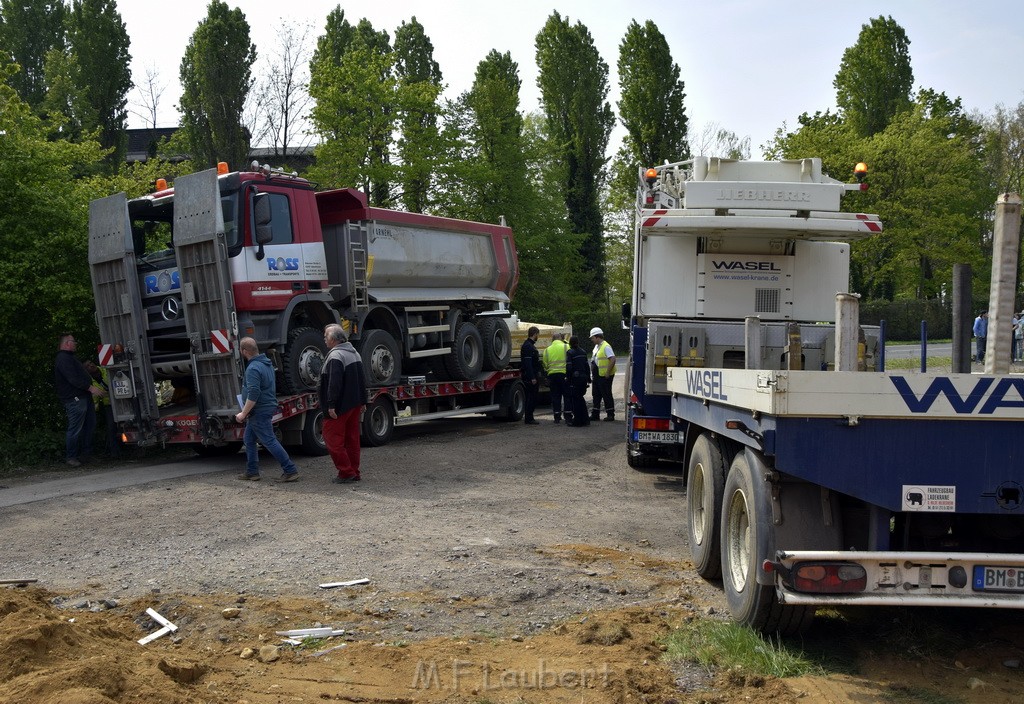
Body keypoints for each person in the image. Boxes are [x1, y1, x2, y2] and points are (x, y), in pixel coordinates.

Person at [235, 337, 299, 482]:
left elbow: (254, 393)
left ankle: (290, 470)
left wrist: (243, 413)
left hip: (259, 410)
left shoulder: (253, 368)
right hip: (264, 407)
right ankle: (252, 472)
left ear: (244, 351)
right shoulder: (267, 364)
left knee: (269, 440)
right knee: (249, 439)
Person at [320, 324, 368, 483]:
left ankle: (346, 472)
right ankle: (354, 471)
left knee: (332, 440)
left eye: (326, 336)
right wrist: (363, 401)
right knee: (352, 440)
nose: (324, 339)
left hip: (340, 407)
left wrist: (331, 404)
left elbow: (334, 383)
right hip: (354, 405)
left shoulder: (336, 356)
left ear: (333, 339)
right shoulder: (355, 353)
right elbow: (362, 380)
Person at [54, 333, 106, 467]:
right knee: (76, 428)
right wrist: (90, 388)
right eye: (73, 341)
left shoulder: (69, 358)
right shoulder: (63, 359)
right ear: (66, 343)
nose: (75, 343)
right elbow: (72, 379)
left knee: (89, 426)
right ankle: (71, 457)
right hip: (75, 399)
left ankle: (86, 455)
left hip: (83, 397)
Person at [85, 360, 121, 459]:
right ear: (86, 371)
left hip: (122, 400)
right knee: (111, 427)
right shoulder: (91, 382)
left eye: (91, 363)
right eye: (88, 366)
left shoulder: (106, 370)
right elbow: (95, 398)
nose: (91, 365)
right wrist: (94, 411)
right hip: (109, 405)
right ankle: (115, 453)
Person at [542, 331, 571, 424]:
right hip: (564, 375)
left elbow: (545, 364)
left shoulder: (547, 350)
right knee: (567, 396)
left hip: (552, 376)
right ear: (560, 338)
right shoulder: (566, 346)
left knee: (555, 396)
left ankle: (557, 417)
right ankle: (567, 416)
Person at [588, 327, 617, 422]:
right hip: (597, 375)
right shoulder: (597, 346)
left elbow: (612, 359)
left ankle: (610, 414)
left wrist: (608, 372)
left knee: (606, 394)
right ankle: (595, 414)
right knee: (596, 394)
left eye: (592, 338)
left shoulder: (606, 346)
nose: (591, 340)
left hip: (604, 376)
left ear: (597, 337)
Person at [565, 336, 591, 426]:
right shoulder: (583, 352)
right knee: (581, 398)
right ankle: (586, 419)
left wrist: (568, 378)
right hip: (583, 378)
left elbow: (569, 367)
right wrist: (588, 378)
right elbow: (587, 366)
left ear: (570, 343)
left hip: (575, 379)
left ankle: (578, 421)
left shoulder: (570, 353)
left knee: (575, 399)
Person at [520, 325, 541, 425]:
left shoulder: (529, 345)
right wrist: (532, 377)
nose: (538, 337)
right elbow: (528, 364)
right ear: (535, 334)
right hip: (530, 376)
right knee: (531, 397)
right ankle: (529, 418)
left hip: (531, 374)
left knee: (532, 397)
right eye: (538, 335)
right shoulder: (528, 346)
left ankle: (530, 417)